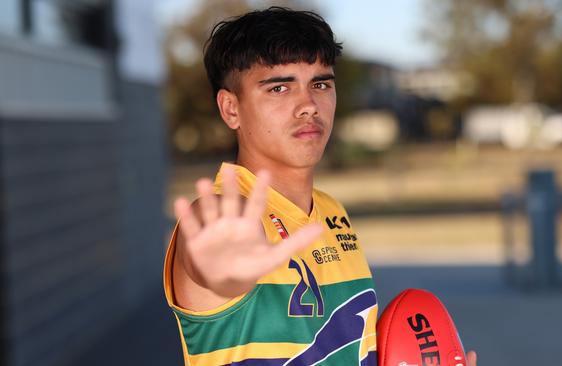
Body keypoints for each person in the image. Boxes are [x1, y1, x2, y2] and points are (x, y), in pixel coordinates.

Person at [164, 6, 478, 366]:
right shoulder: (219, 216)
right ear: (231, 109)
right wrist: (223, 275)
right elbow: (214, 266)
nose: (308, 105)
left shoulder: (331, 211)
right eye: (279, 87)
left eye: (321, 84)